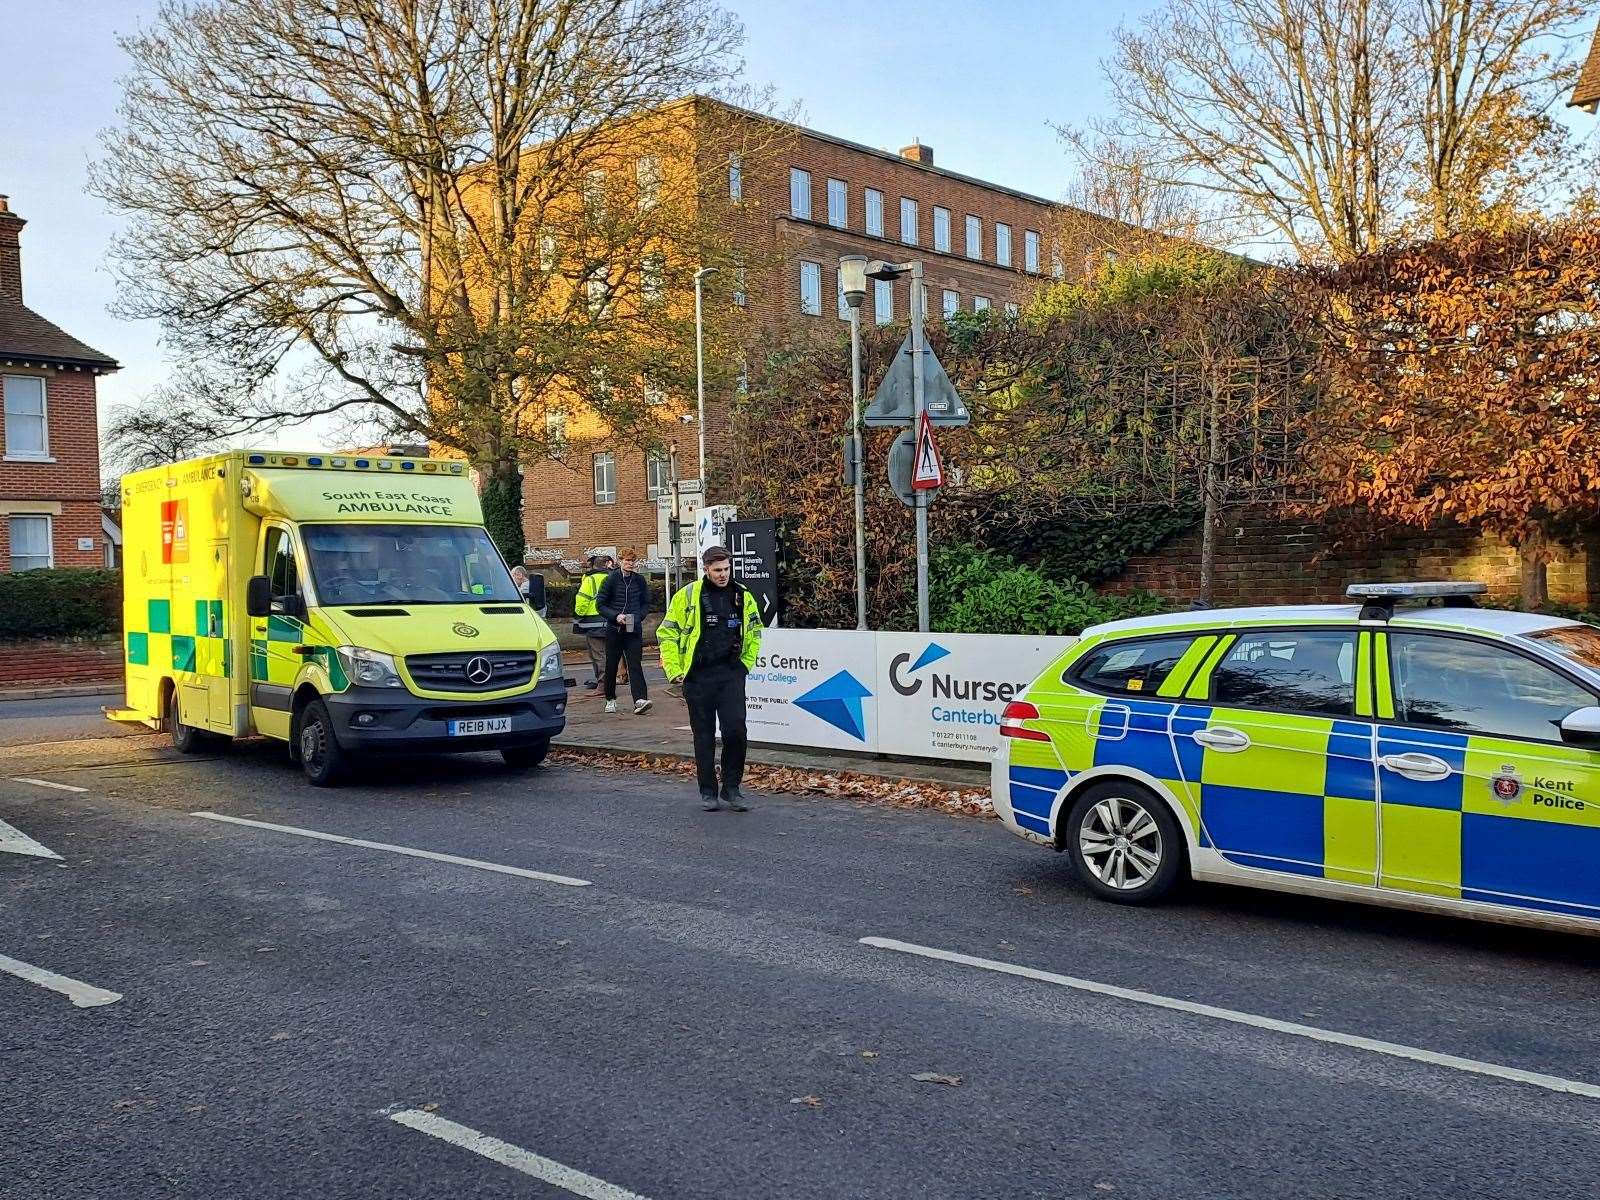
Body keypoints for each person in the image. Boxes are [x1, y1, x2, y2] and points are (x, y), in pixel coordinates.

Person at [660, 545, 764, 812]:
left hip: (730, 674)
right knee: (703, 736)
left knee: (736, 731)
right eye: (717, 570)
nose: (723, 575)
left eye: (727, 569)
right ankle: (708, 791)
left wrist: (745, 665)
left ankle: (732, 788)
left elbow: (754, 631)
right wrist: (675, 671)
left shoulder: (742, 595)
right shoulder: (688, 595)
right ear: (705, 569)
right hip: (698, 676)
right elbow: (667, 633)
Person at [597, 549, 651, 715]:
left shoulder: (640, 581)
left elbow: (646, 604)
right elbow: (600, 605)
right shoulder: (611, 579)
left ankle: (640, 700)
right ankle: (611, 698)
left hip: (633, 628)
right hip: (615, 628)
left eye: (632, 561)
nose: (630, 564)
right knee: (611, 664)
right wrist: (615, 616)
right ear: (620, 561)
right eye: (627, 561)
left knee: (635, 664)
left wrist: (638, 617)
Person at [572, 553, 613, 691]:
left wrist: (578, 615)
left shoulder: (590, 580)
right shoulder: (612, 577)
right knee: (609, 654)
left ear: (594, 566)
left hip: (593, 624)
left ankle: (603, 684)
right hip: (612, 622)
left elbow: (582, 600)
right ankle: (609, 682)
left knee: (598, 654)